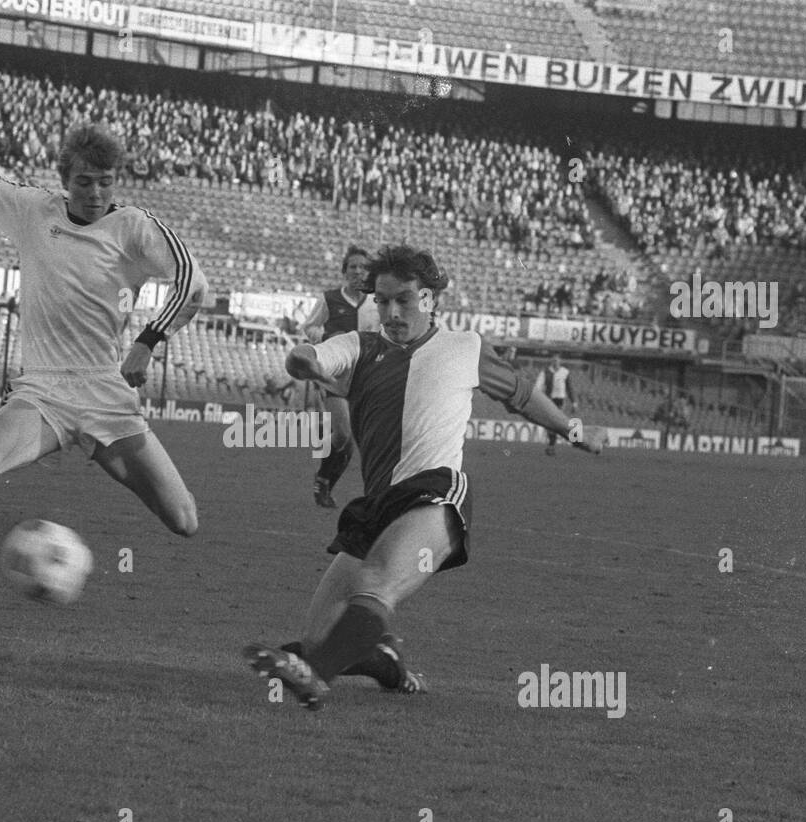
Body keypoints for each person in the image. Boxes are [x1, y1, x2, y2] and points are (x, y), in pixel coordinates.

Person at [245, 244, 601, 709]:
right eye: (382, 300)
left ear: (430, 298)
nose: (391, 311)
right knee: (317, 637)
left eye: (405, 300)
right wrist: (303, 363)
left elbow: (522, 395)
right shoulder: (358, 346)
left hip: (435, 495)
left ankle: (315, 678)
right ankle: (384, 661)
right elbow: (307, 354)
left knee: (375, 583)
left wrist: (573, 430)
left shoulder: (465, 347)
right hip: (376, 507)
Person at [0, 117, 207, 606]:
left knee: (184, 520)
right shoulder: (33, 210)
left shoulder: (134, 227)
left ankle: (90, 514)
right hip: (43, 391)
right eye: (84, 182)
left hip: (107, 397)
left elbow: (192, 282)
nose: (95, 193)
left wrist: (149, 339)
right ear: (64, 179)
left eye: (105, 182)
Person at [300, 245, 375, 509]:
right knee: (343, 435)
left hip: (366, 376)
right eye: (353, 266)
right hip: (335, 375)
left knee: (354, 440)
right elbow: (309, 326)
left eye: (363, 267)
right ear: (344, 271)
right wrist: (324, 339)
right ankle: (322, 478)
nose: (358, 271)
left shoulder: (376, 303)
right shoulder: (329, 298)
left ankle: (327, 482)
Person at [534, 353, 576, 455]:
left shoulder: (565, 372)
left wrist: (574, 402)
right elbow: (538, 385)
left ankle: (552, 445)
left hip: (560, 400)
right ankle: (552, 444)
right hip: (549, 400)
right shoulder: (546, 372)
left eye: (557, 360)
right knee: (551, 423)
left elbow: (570, 388)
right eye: (553, 360)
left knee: (556, 423)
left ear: (560, 361)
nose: (555, 362)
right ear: (551, 361)